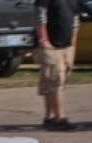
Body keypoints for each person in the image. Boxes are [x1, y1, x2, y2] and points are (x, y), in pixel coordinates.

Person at [34, 0, 80, 130]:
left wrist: (73, 43)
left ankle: (49, 117)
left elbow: (75, 21)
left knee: (55, 80)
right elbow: (40, 18)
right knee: (56, 79)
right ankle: (59, 118)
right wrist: (44, 41)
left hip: (67, 46)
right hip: (50, 45)